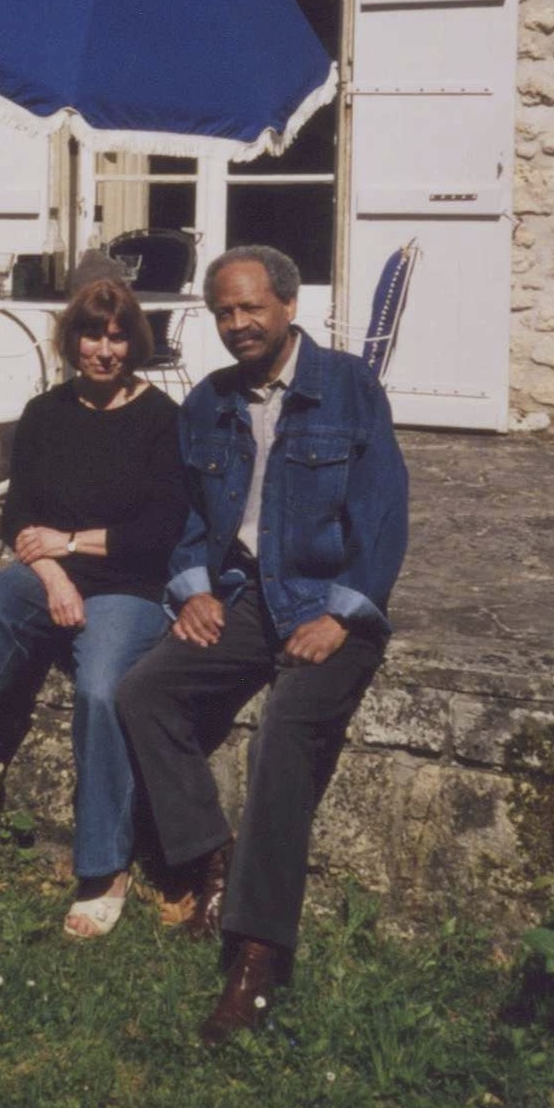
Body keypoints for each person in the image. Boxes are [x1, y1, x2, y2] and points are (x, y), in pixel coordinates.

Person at [118, 244, 408, 1042]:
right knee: (145, 690)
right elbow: (188, 522)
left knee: (284, 731)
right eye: (224, 311)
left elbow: (382, 517)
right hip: (244, 596)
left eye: (251, 307)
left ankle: (257, 950)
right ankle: (209, 857)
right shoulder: (207, 402)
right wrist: (193, 587)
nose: (238, 323)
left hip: (324, 602)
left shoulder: (349, 385)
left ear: (287, 306)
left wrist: (344, 613)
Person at [0, 275, 189, 940]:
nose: (104, 350)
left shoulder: (162, 420)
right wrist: (55, 573)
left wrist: (68, 542)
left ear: (135, 342)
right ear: (71, 340)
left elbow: (163, 531)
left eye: (118, 336)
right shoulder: (45, 413)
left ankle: (104, 865)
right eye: (92, 335)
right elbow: (20, 516)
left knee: (98, 689)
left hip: (133, 584)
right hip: (54, 571)